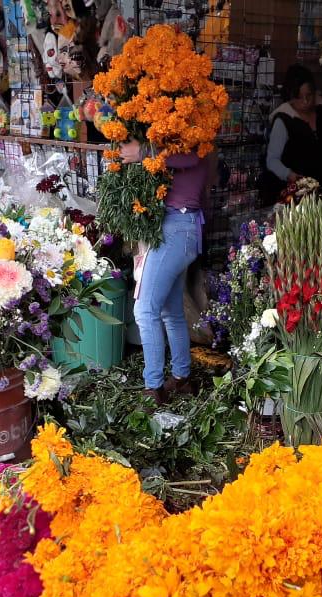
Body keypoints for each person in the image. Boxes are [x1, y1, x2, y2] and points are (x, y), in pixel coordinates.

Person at [120, 140, 212, 405]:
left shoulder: (193, 139)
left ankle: (154, 388)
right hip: (181, 229)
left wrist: (144, 152)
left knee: (145, 310)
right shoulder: (180, 136)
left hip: (176, 230)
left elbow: (188, 157)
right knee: (170, 311)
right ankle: (182, 380)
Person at [260, 64, 322, 204]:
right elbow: (272, 160)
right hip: (294, 198)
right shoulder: (284, 119)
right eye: (300, 97)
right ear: (290, 96)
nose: (306, 102)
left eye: (309, 95)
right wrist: (289, 175)